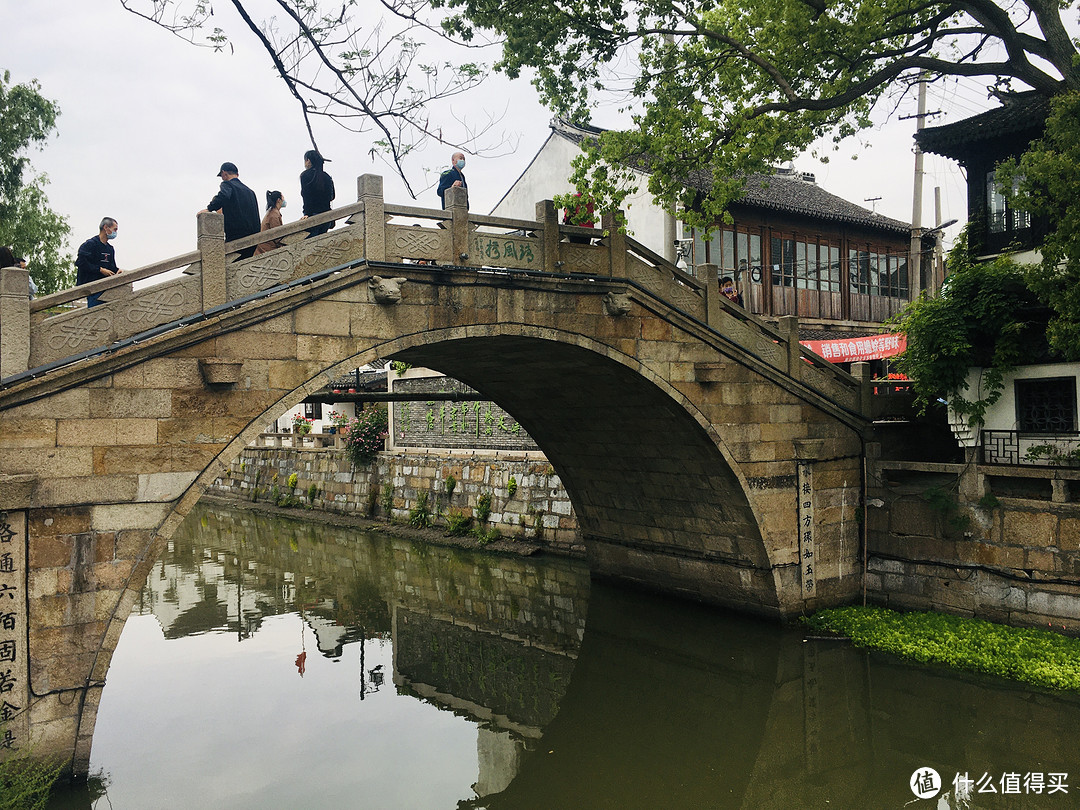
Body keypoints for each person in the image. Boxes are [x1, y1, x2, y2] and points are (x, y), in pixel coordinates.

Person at [199, 162, 260, 259]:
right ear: (237, 174)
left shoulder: (228, 185)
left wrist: (209, 209)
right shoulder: (250, 192)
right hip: (253, 238)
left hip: (236, 237)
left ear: (224, 173)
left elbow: (224, 196)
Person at [75, 218, 120, 307]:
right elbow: (81, 262)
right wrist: (100, 270)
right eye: (114, 229)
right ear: (106, 227)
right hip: (92, 288)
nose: (115, 232)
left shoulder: (110, 249)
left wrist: (118, 270)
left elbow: (111, 267)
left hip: (105, 288)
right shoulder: (90, 244)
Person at [299, 149, 335, 238]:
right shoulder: (327, 177)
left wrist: (307, 213)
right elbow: (332, 196)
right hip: (326, 217)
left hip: (313, 216)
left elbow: (306, 196)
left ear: (308, 160)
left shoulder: (305, 175)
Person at [254, 190, 287, 256]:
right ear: (278, 200)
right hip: (266, 250)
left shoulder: (272, 212)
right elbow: (278, 237)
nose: (284, 200)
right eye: (283, 198)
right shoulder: (274, 215)